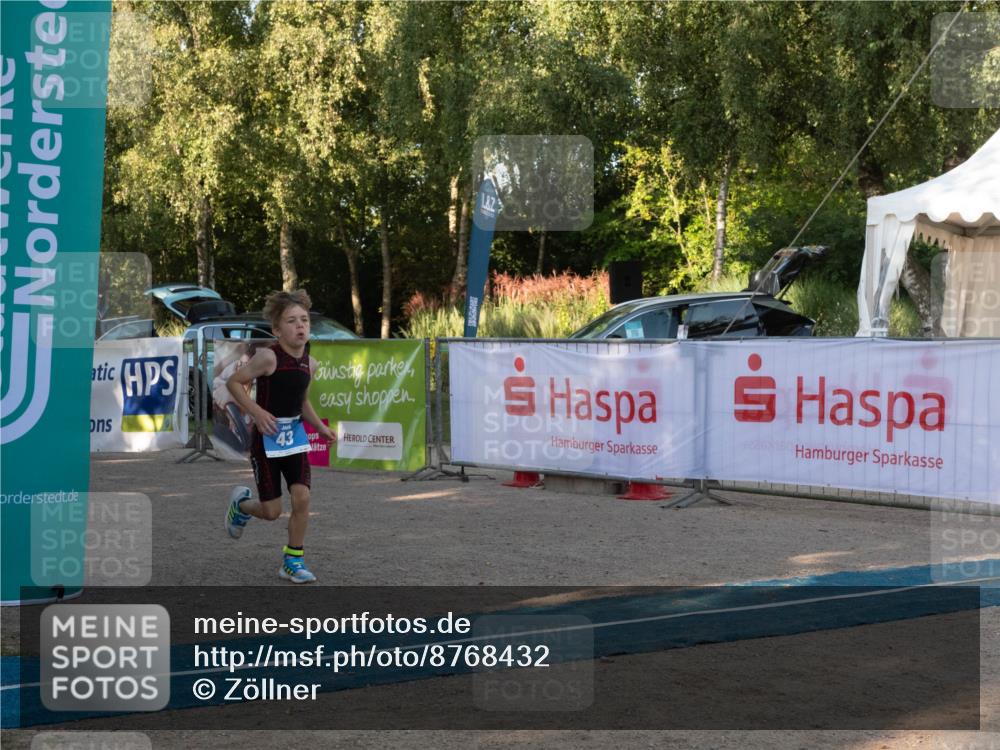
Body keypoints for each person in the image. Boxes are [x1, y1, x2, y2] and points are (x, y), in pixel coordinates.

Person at [223, 289, 336, 583]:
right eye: (291, 321)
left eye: (304, 320)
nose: (300, 326)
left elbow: (302, 402)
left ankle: (292, 561)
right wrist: (257, 413)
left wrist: (320, 428)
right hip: (266, 440)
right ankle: (241, 505)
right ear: (276, 329)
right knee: (272, 511)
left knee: (302, 497)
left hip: (294, 439)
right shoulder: (268, 357)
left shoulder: (310, 363)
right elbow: (234, 383)